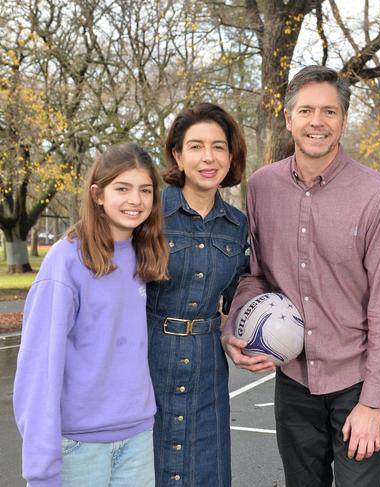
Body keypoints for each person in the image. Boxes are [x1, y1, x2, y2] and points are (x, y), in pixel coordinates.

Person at [221, 65, 380, 486]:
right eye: (306, 111)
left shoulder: (375, 194)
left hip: (357, 381)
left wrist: (373, 402)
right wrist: (235, 326)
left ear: (343, 121)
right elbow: (257, 277)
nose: (317, 122)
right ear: (289, 119)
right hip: (294, 380)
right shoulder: (261, 187)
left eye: (329, 111)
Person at [13, 142, 169, 486]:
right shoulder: (66, 260)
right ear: (98, 194)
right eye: (123, 188)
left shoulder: (145, 254)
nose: (136, 200)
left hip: (138, 437)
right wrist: (41, 469)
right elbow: (40, 366)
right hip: (78, 445)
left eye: (146, 190)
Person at [146, 102, 248, 486]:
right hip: (149, 357)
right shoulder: (150, 213)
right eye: (196, 146)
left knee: (205, 467)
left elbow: (239, 294)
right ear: (177, 154)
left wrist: (234, 331)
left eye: (219, 146)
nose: (209, 157)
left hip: (207, 365)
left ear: (231, 154)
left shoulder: (237, 226)